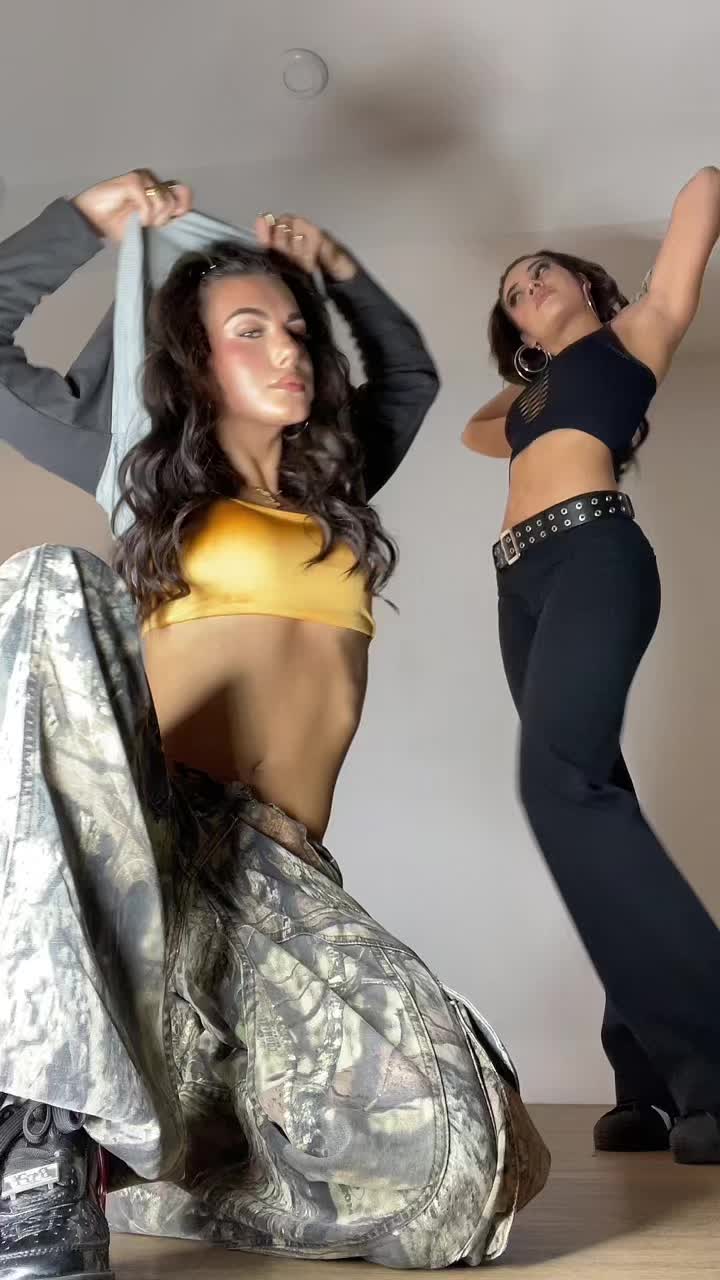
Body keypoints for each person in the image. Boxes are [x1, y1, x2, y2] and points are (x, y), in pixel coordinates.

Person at [0, 170, 548, 1280]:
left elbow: (408, 377)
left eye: (296, 329)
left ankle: (150, 1166)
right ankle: (40, 1138)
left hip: (276, 884)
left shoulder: (334, 486)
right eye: (248, 330)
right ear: (194, 363)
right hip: (146, 853)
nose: (289, 348)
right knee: (51, 582)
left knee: (465, 1174)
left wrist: (336, 272)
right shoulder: (142, 482)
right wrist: (85, 223)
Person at [463, 165, 720, 1164]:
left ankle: (713, 1061)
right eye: (512, 292)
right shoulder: (532, 395)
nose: (525, 286)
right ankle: (647, 1083)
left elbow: (704, 191)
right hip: (518, 584)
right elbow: (476, 432)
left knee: (559, 788)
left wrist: (581, 329)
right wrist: (536, 359)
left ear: (586, 283)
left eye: (542, 272)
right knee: (594, 801)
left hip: (594, 553)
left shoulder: (637, 335)